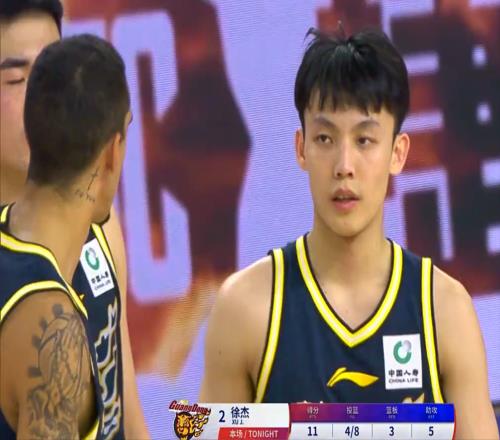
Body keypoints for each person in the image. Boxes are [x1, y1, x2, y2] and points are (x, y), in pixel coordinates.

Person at [200, 28, 499, 439]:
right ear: (301, 148)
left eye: (364, 140)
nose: (344, 165)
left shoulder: (444, 311)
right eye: (325, 138)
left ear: (398, 152)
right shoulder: (246, 309)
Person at [0, 1, 149, 438]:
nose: (44, 102)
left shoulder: (100, 227)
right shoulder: (37, 311)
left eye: (50, 76)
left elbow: (125, 412)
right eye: (17, 80)